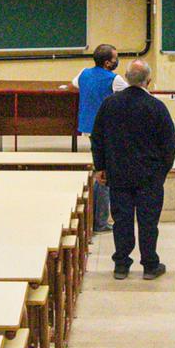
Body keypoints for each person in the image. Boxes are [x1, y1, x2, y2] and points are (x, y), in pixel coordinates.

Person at [90, 60, 175, 280]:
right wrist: (162, 172)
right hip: (149, 176)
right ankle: (149, 265)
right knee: (148, 222)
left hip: (118, 174)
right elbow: (169, 145)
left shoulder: (110, 104)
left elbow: (97, 138)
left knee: (122, 220)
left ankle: (121, 264)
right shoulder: (156, 107)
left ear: (127, 79)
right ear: (149, 81)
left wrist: (100, 167)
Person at [75, 44, 128, 233]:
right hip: (106, 131)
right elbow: (132, 93)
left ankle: (96, 219)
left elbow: (75, 83)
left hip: (88, 127)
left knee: (99, 170)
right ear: (108, 63)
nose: (117, 61)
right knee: (104, 176)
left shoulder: (83, 73)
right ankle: (101, 221)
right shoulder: (116, 80)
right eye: (115, 58)